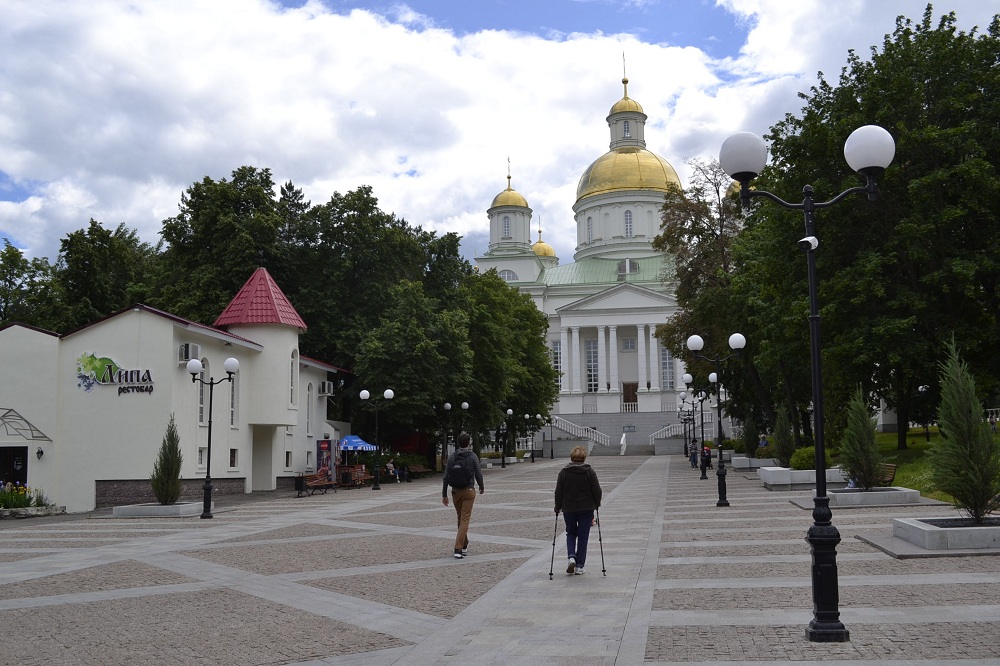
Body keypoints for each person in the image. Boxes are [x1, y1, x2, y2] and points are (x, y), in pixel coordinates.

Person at [554, 445, 602, 575]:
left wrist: (557, 507)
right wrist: (597, 503)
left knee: (570, 533)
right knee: (583, 536)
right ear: (584, 458)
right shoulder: (589, 472)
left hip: (569, 508)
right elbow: (597, 490)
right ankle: (580, 566)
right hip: (586, 508)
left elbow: (559, 492)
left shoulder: (564, 472)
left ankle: (571, 557)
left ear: (572, 458)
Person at [442, 432, 484, 559]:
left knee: (460, 518)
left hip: (455, 491)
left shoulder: (452, 457)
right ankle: (458, 548)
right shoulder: (472, 456)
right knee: (464, 519)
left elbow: (446, 477)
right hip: (469, 490)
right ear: (469, 443)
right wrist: (481, 486)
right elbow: (478, 473)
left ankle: (464, 544)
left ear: (458, 443)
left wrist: (444, 494)